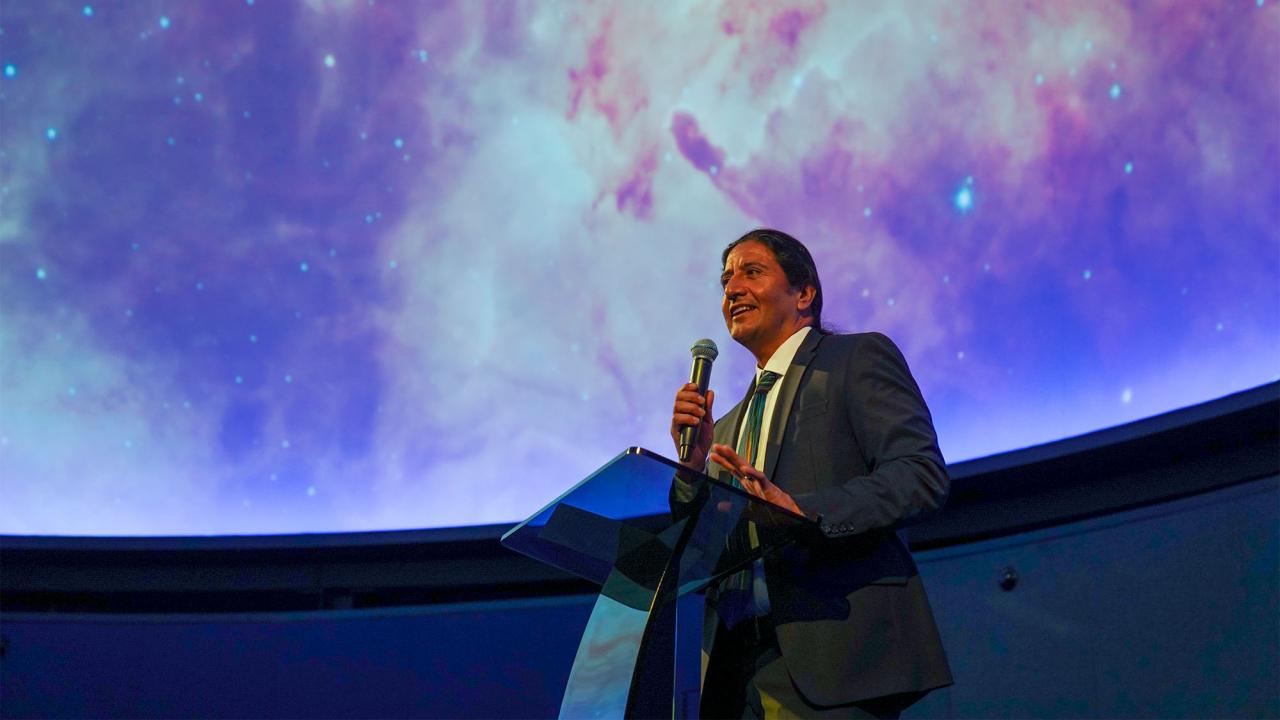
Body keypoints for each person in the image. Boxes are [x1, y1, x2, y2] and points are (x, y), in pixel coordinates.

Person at [669, 228, 953, 718]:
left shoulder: (856, 359)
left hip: (834, 657)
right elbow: (704, 545)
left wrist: (803, 512)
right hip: (734, 677)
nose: (732, 289)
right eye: (725, 280)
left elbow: (919, 474)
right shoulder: (728, 426)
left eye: (751, 272)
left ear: (804, 293)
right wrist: (691, 472)